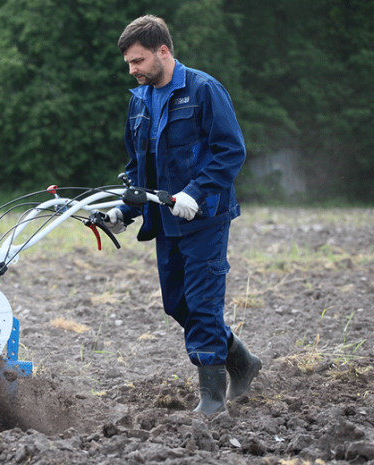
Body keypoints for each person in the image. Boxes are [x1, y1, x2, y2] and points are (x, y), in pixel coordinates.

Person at [104, 15, 262, 415]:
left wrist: (195, 192)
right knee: (178, 303)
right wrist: (126, 209)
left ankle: (212, 397)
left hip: (205, 216)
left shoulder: (204, 90)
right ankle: (242, 361)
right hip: (165, 221)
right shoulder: (139, 100)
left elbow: (231, 151)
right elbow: (140, 165)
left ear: (163, 50)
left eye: (138, 61)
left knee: (203, 303)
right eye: (128, 64)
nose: (132, 70)